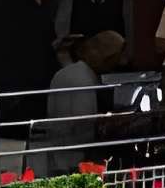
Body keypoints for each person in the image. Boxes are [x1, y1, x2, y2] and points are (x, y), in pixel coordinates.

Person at [38, 31, 126, 173]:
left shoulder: (65, 73)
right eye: (115, 58)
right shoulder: (83, 80)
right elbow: (83, 123)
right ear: (106, 57)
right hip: (74, 159)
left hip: (56, 154)